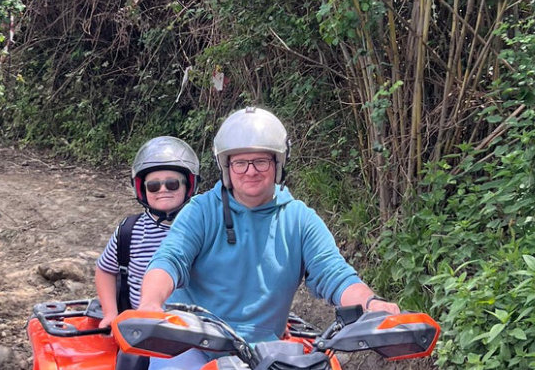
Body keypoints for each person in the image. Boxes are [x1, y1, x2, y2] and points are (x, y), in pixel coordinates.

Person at [138, 107, 398, 350]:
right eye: (240, 163)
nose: (250, 171)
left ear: (277, 164)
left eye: (261, 161)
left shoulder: (300, 219)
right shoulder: (200, 211)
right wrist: (150, 303)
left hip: (264, 353)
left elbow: (335, 275)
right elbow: (169, 260)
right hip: (190, 344)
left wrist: (370, 303)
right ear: (226, 167)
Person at [94, 136, 201, 329]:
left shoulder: (203, 227)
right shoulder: (129, 230)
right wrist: (110, 313)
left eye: (172, 184)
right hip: (142, 329)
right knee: (128, 360)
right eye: (153, 186)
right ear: (142, 190)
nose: (163, 190)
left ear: (188, 186)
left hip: (195, 331)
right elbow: (105, 270)